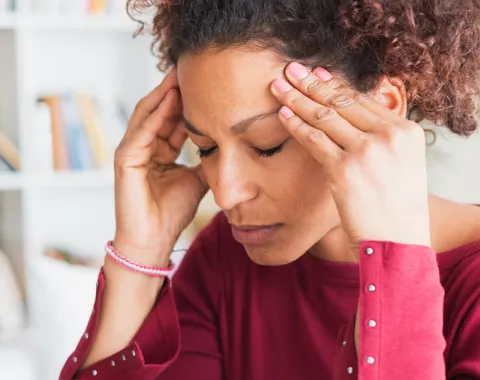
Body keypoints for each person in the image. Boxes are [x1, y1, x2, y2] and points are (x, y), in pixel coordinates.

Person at [60, 0, 480, 379]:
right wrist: (139, 256)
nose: (225, 194)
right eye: (204, 148)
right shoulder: (224, 258)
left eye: (266, 146)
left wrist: (394, 261)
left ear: (382, 108)